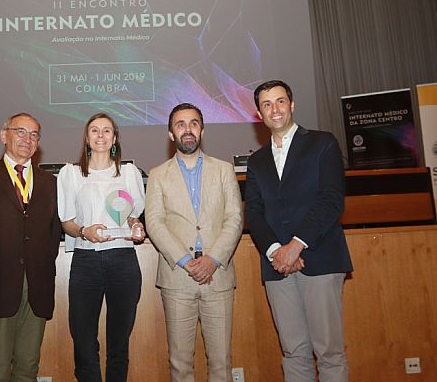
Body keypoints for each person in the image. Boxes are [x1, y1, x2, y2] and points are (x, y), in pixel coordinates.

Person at [245, 80, 353, 382]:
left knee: (329, 352)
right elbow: (253, 212)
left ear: (291, 105)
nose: (274, 109)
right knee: (294, 352)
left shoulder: (323, 143)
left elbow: (331, 199)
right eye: (266, 104)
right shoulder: (256, 161)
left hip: (320, 259)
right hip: (277, 266)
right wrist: (275, 252)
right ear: (259, 114)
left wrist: (296, 245)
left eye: (280, 101)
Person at [0, 112, 62, 382]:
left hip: (38, 289)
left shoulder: (51, 183)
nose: (28, 139)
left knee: (28, 367)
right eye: (21, 132)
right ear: (4, 135)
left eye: (34, 134)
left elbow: (53, 235)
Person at [145, 103, 243, 382]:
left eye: (193, 123)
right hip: (178, 279)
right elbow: (154, 223)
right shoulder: (157, 174)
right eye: (180, 124)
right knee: (180, 364)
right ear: (171, 134)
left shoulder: (224, 170)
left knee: (221, 362)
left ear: (202, 130)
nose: (187, 129)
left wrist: (212, 260)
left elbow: (235, 218)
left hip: (218, 276)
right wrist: (188, 262)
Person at [57, 113, 146, 382]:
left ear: (114, 138)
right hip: (86, 262)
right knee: (84, 341)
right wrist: (84, 231)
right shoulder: (71, 174)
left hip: (123, 261)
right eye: (94, 130)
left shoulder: (128, 173)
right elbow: (67, 223)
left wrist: (136, 226)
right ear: (86, 138)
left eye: (107, 131)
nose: (100, 135)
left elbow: (131, 216)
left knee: (119, 342)